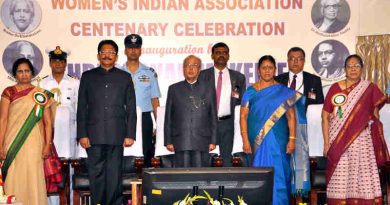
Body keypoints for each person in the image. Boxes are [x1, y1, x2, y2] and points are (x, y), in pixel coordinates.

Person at [322, 54, 389, 205]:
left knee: (361, 174)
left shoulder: (369, 88)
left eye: (356, 66)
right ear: (344, 69)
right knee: (341, 173)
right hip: (337, 139)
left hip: (362, 140)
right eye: (349, 66)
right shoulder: (335, 88)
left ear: (362, 69)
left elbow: (375, 116)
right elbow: (325, 117)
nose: (353, 69)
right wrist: (326, 144)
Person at [77, 40, 136, 205]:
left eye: (111, 53)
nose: (107, 55)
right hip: (93, 135)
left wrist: (130, 134)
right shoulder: (88, 76)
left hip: (116, 134)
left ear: (116, 57)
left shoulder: (124, 77)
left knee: (114, 174)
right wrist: (82, 134)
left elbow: (131, 107)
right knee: (96, 175)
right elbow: (82, 107)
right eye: (104, 52)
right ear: (98, 55)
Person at [240, 55, 304, 205]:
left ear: (275, 70)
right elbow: (243, 116)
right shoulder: (250, 91)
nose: (267, 71)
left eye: (270, 68)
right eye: (264, 68)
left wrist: (292, 140)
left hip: (280, 140)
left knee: (280, 175)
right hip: (256, 140)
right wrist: (244, 140)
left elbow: (291, 117)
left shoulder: (284, 91)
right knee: (258, 174)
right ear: (258, 70)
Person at [0, 58, 54, 205]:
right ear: (15, 74)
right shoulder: (8, 92)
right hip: (12, 143)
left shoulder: (41, 94)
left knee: (33, 177)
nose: (24, 74)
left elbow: (48, 123)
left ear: (32, 73)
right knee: (13, 176)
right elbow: (3, 120)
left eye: (27, 71)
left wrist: (47, 145)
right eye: (20, 71)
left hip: (34, 143)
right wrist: (0, 145)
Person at [41, 46, 79, 205]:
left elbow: (79, 109)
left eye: (61, 61)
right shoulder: (42, 83)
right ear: (50, 63)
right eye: (54, 61)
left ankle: (69, 201)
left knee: (69, 171)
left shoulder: (75, 83)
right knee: (49, 169)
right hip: (50, 134)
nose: (58, 64)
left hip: (69, 133)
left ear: (65, 63)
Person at [164, 55, 217, 168]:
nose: (190, 68)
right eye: (187, 65)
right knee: (182, 176)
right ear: (183, 69)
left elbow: (213, 116)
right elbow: (168, 117)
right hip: (180, 139)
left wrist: (213, 140)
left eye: (194, 65)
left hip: (202, 140)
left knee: (201, 175)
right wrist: (168, 140)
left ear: (199, 69)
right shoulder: (174, 89)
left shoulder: (208, 89)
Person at [198, 42, 246, 167]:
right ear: (212, 56)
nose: (221, 55)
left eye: (224, 53)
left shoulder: (238, 77)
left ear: (228, 56)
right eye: (218, 52)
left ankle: (226, 186)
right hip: (206, 123)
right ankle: (205, 185)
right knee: (205, 159)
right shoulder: (202, 76)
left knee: (227, 160)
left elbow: (241, 103)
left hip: (227, 123)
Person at [120, 34, 161, 167]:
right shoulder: (118, 73)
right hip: (122, 118)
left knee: (147, 153)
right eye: (130, 47)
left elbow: (155, 100)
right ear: (125, 50)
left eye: (136, 47)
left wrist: (159, 125)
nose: (133, 50)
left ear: (140, 50)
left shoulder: (149, 73)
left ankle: (146, 185)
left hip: (144, 118)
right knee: (122, 154)